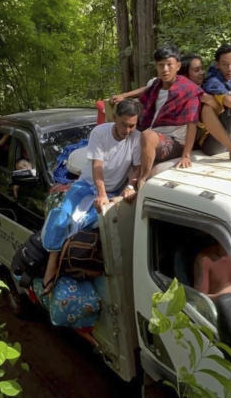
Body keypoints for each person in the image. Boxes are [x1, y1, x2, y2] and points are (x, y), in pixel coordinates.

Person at [40, 99, 143, 292]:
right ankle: (51, 263)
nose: (127, 130)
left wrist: (129, 186)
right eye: (123, 124)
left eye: (132, 125)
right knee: (64, 216)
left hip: (112, 191)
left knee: (89, 223)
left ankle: (68, 263)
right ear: (115, 118)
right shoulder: (100, 132)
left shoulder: (137, 138)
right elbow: (97, 166)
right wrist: (101, 193)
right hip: (86, 185)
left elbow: (137, 168)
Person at [136, 46, 203, 187]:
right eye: (161, 65)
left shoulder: (189, 89)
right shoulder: (156, 86)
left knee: (147, 136)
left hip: (175, 142)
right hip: (155, 133)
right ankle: (128, 185)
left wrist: (186, 155)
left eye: (169, 64)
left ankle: (142, 179)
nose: (165, 69)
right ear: (156, 66)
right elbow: (144, 106)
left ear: (178, 66)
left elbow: (192, 123)